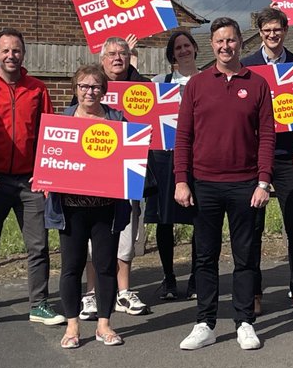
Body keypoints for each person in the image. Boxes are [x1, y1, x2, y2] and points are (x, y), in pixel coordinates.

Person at [175, 17, 275, 351]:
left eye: (231, 41)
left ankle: (245, 321)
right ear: (212, 45)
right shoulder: (197, 84)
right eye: (219, 41)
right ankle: (205, 322)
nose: (225, 46)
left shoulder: (258, 84)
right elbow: (183, 137)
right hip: (204, 184)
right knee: (205, 256)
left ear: (240, 44)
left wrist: (263, 181)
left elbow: (267, 137)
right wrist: (181, 181)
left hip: (246, 185)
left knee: (245, 256)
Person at [0, 28, 61, 329]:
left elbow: (49, 132)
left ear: (23, 53)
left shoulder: (37, 89)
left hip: (29, 182)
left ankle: (40, 305)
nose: (11, 55)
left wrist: (45, 174)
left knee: (38, 246)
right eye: (5, 50)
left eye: (16, 50)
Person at [241, 6, 293, 312]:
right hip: (254, 154)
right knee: (251, 227)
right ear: (259, 32)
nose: (272, 35)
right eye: (267, 30)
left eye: (277, 30)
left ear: (285, 31)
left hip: (289, 155)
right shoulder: (246, 67)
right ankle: (254, 292)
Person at [48, 64, 132, 348]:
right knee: (71, 267)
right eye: (84, 86)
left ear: (104, 91)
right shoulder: (61, 121)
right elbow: (49, 157)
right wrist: (44, 177)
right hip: (70, 208)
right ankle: (72, 327)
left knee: (105, 266)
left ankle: (104, 325)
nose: (89, 91)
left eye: (95, 86)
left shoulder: (116, 120)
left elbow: (130, 161)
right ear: (75, 89)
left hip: (106, 207)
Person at [78, 36, 153, 322]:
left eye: (122, 53)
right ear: (102, 59)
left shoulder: (142, 86)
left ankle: (124, 291)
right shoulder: (87, 86)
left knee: (125, 234)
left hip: (126, 174)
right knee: (91, 238)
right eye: (111, 54)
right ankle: (91, 294)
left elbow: (153, 124)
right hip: (91, 176)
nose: (117, 58)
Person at [145, 29, 200, 300]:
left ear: (195, 49)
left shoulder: (207, 80)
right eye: (177, 47)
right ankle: (168, 278)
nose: (183, 50)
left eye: (187, 45)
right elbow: (135, 102)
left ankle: (195, 279)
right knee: (164, 221)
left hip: (199, 157)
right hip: (165, 157)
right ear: (172, 54)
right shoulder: (160, 81)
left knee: (198, 220)